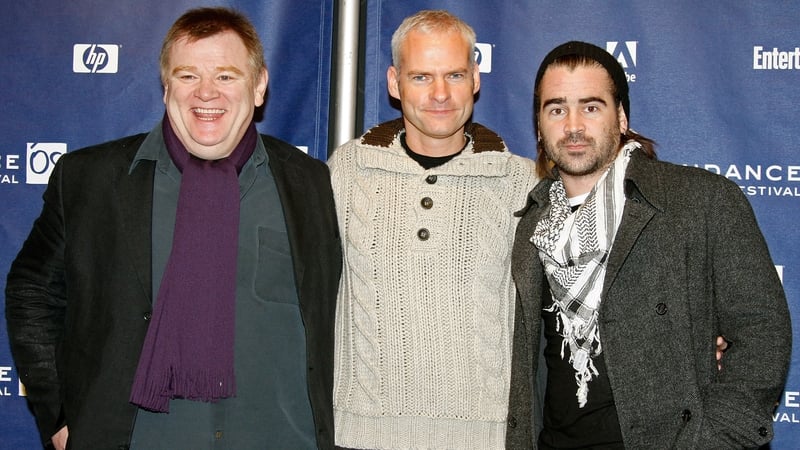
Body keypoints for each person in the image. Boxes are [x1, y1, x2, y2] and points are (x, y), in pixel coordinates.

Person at [5, 7, 341, 450]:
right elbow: (32, 292)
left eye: (226, 76)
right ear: (166, 87)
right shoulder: (89, 180)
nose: (206, 93)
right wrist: (60, 415)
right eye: (187, 76)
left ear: (258, 86)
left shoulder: (309, 181)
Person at [506, 40, 791, 449]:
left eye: (591, 107)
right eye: (556, 109)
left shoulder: (699, 200)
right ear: (539, 124)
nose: (572, 126)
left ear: (620, 117)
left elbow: (762, 332)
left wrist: (713, 440)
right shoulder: (534, 222)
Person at [328, 9, 538, 450]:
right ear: (393, 82)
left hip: (487, 438)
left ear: (475, 80)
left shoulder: (522, 182)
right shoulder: (344, 172)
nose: (440, 94)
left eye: (455, 75)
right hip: (360, 435)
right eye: (422, 77)